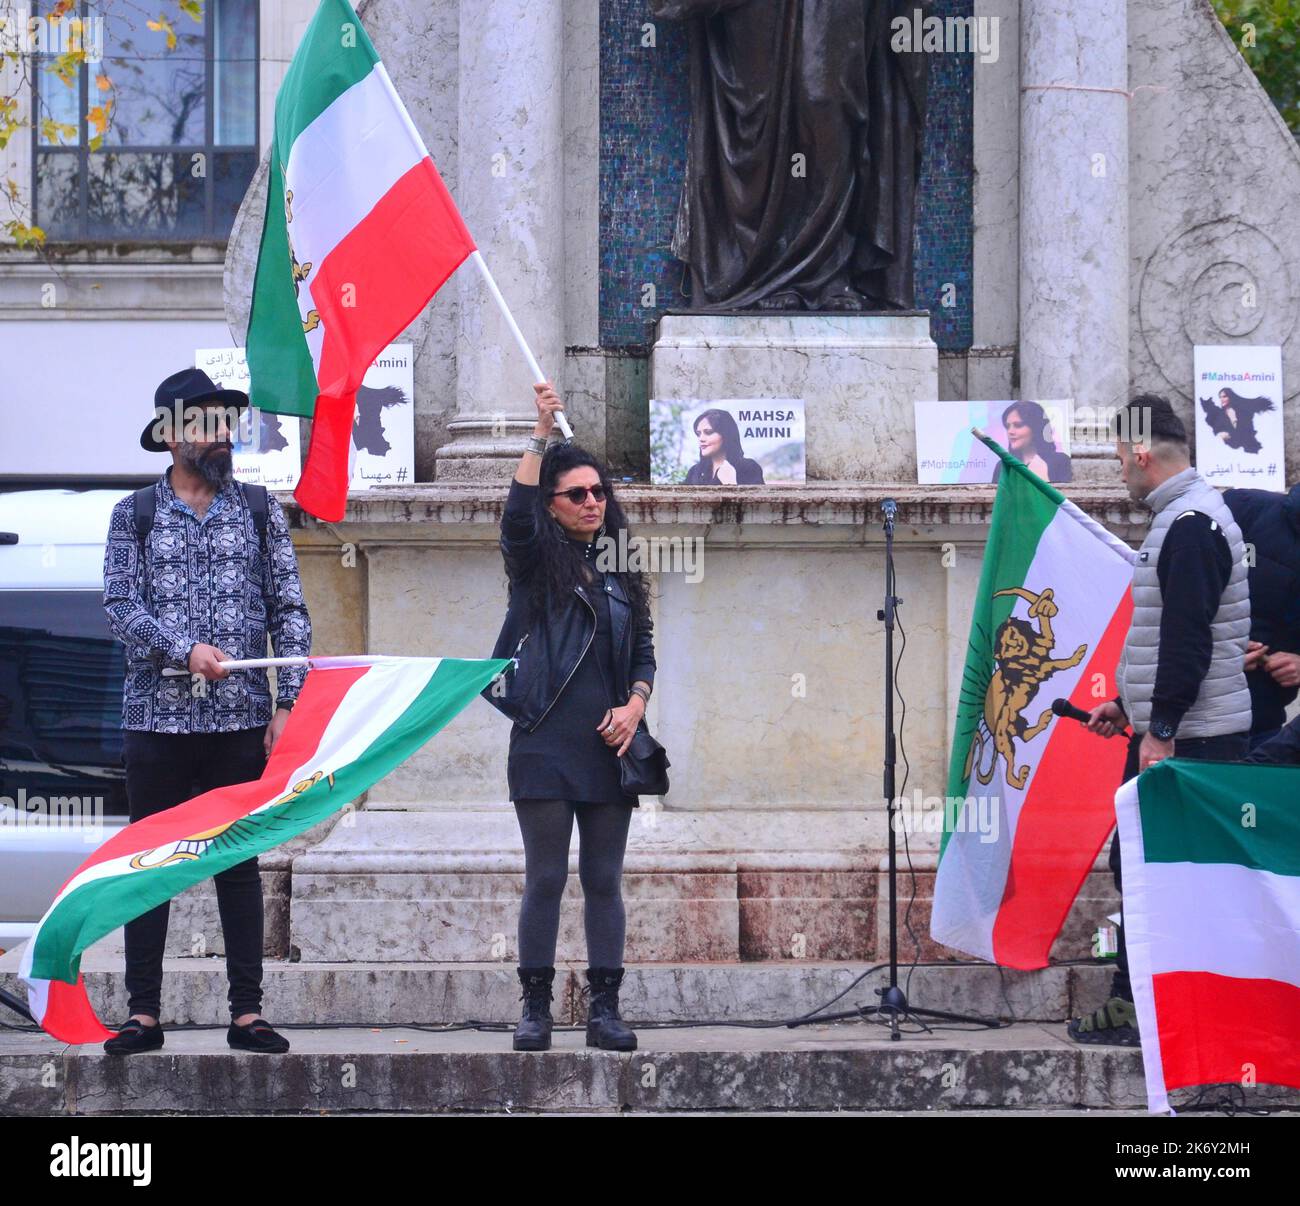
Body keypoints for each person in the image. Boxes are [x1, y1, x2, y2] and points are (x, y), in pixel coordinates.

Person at [100, 367, 312, 1055]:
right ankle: (143, 1014)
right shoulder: (132, 514)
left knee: (239, 863)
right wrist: (182, 646)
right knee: (150, 866)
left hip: (240, 723)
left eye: (229, 423)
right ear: (170, 434)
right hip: (155, 723)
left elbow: (290, 610)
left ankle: (247, 1013)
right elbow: (119, 607)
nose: (223, 435)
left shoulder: (258, 510)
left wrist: (291, 704)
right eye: (207, 423)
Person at [1068, 394, 1250, 1046]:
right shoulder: (1183, 518)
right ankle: (1157, 1010)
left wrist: (1162, 728)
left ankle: (1146, 1014)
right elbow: (1167, 635)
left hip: (1190, 740)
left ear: (1142, 453)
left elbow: (1188, 640)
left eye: (1119, 459)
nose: (1119, 471)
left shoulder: (1191, 524)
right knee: (1147, 869)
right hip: (1175, 729)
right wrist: (1131, 705)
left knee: (1155, 871)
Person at [484, 383, 656, 1053]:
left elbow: (643, 648)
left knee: (605, 879)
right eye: (576, 495)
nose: (591, 503)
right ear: (554, 507)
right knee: (548, 876)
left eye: (598, 492)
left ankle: (605, 1010)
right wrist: (537, 432)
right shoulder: (536, 563)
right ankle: (535, 1007)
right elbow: (516, 517)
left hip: (610, 745)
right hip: (544, 743)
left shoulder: (620, 565)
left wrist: (635, 705)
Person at [1223, 484, 1300, 748]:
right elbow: (1177, 596)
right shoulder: (1243, 508)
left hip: (1264, 724)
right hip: (1191, 716)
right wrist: (1217, 647)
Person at [991, 401, 1072, 484]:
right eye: (1007, 426)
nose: (1010, 432)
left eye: (1018, 425)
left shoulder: (1060, 461)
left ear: (1036, 428)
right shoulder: (1002, 466)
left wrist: (1044, 478)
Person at [684, 408, 765, 485]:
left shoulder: (749, 468)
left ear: (726, 434)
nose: (701, 439)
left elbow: (760, 499)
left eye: (708, 432)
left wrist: (731, 483)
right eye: (698, 434)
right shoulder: (694, 472)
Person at [1200, 388, 1275, 455]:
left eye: (1224, 396)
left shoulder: (1232, 410)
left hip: (1240, 442)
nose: (1222, 399)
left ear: (1230, 397)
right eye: (1220, 397)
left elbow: (1236, 426)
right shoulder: (1224, 411)